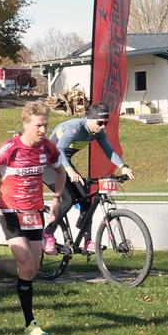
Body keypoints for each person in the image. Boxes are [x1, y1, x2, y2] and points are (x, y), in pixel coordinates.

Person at [0, 101, 64, 335]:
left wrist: (57, 198)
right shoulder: (11, 148)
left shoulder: (48, 148)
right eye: (38, 126)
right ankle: (30, 323)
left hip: (35, 212)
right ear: (25, 124)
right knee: (27, 265)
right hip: (10, 211)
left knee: (31, 269)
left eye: (45, 125)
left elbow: (60, 172)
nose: (43, 130)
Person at [44, 102, 135, 254]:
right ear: (90, 119)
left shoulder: (97, 132)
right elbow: (59, 150)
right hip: (47, 164)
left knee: (86, 199)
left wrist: (123, 166)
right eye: (100, 123)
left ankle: (87, 241)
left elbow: (109, 151)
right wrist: (70, 171)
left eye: (106, 123)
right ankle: (48, 233)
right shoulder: (75, 128)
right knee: (68, 198)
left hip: (63, 164)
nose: (103, 126)